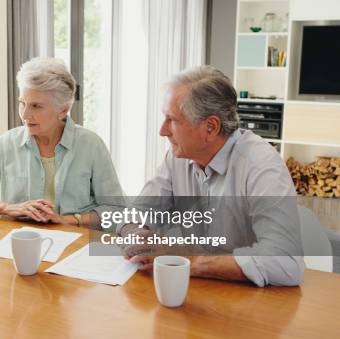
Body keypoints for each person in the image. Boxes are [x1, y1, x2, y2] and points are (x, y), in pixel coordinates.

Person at [119, 65, 304, 287]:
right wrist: (136, 235)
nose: (162, 131)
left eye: (172, 120)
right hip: (195, 289)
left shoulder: (261, 165)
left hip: (252, 301)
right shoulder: (177, 157)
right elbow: (136, 213)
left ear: (210, 127)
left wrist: (185, 260)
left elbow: (286, 263)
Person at [0, 57, 122, 227]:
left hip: (76, 244)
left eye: (36, 106)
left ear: (63, 110)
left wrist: (68, 220)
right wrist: (8, 208)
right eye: (22, 103)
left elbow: (117, 211)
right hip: (21, 242)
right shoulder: (8, 143)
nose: (24, 115)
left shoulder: (90, 145)